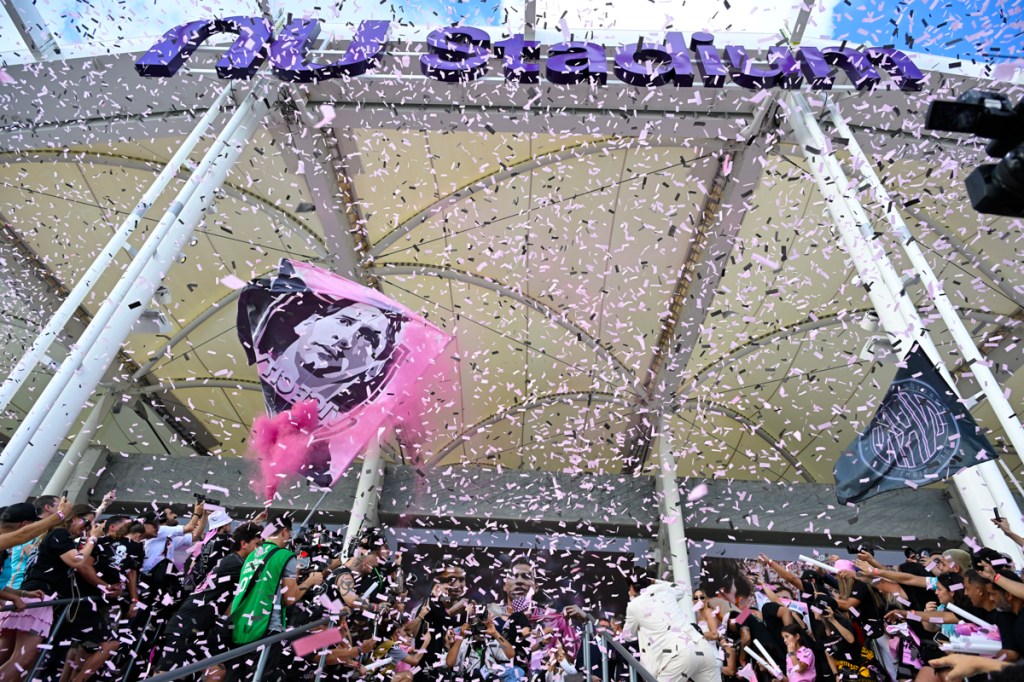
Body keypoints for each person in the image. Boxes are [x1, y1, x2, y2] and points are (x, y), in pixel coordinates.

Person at [251, 295, 405, 421]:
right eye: (344, 321)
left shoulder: (337, 439)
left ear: (374, 369)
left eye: (368, 338)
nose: (345, 339)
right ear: (309, 321)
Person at [0, 504, 104, 682]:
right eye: (86, 523)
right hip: (43, 598)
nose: (87, 529)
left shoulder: (53, 535)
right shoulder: (59, 534)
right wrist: (93, 539)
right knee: (23, 658)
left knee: (8, 654)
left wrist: (22, 594)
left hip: (32, 595)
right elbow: (76, 561)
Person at [156, 522, 263, 681]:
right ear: (244, 544)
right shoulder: (236, 563)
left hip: (203, 630)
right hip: (185, 626)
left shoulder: (236, 562)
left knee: (217, 673)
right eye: (258, 545)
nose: (260, 550)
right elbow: (264, 576)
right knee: (166, 676)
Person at [227, 515, 323, 682]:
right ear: (285, 531)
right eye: (289, 532)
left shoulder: (253, 554)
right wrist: (310, 581)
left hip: (240, 625)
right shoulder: (285, 555)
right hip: (266, 627)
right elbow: (290, 598)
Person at [622, 569, 720, 682]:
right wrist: (653, 581)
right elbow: (680, 589)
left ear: (632, 587)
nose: (629, 593)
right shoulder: (665, 590)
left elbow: (627, 636)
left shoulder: (634, 605)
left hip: (680, 656)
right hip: (703, 648)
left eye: (628, 589)